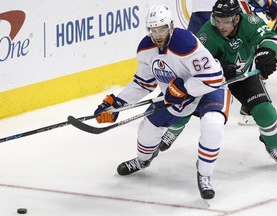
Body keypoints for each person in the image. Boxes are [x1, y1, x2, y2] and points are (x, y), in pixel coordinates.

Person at [93, 4, 231, 200]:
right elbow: (143, 83)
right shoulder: (146, 48)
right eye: (153, 30)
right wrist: (117, 104)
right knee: (147, 128)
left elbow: (214, 78)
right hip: (174, 96)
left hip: (209, 90)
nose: (158, 34)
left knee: (213, 125)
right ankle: (143, 161)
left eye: (162, 29)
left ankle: (205, 174)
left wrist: (184, 88)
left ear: (171, 26)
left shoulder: (185, 43)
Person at [161, 0, 277, 163]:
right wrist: (218, 67)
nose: (221, 26)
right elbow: (194, 64)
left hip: (243, 75)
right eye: (218, 20)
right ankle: (174, 129)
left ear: (236, 19)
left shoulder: (250, 22)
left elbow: (270, 37)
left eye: (226, 21)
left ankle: (273, 144)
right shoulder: (207, 33)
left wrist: (268, 53)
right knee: (187, 100)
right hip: (213, 78)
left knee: (265, 112)